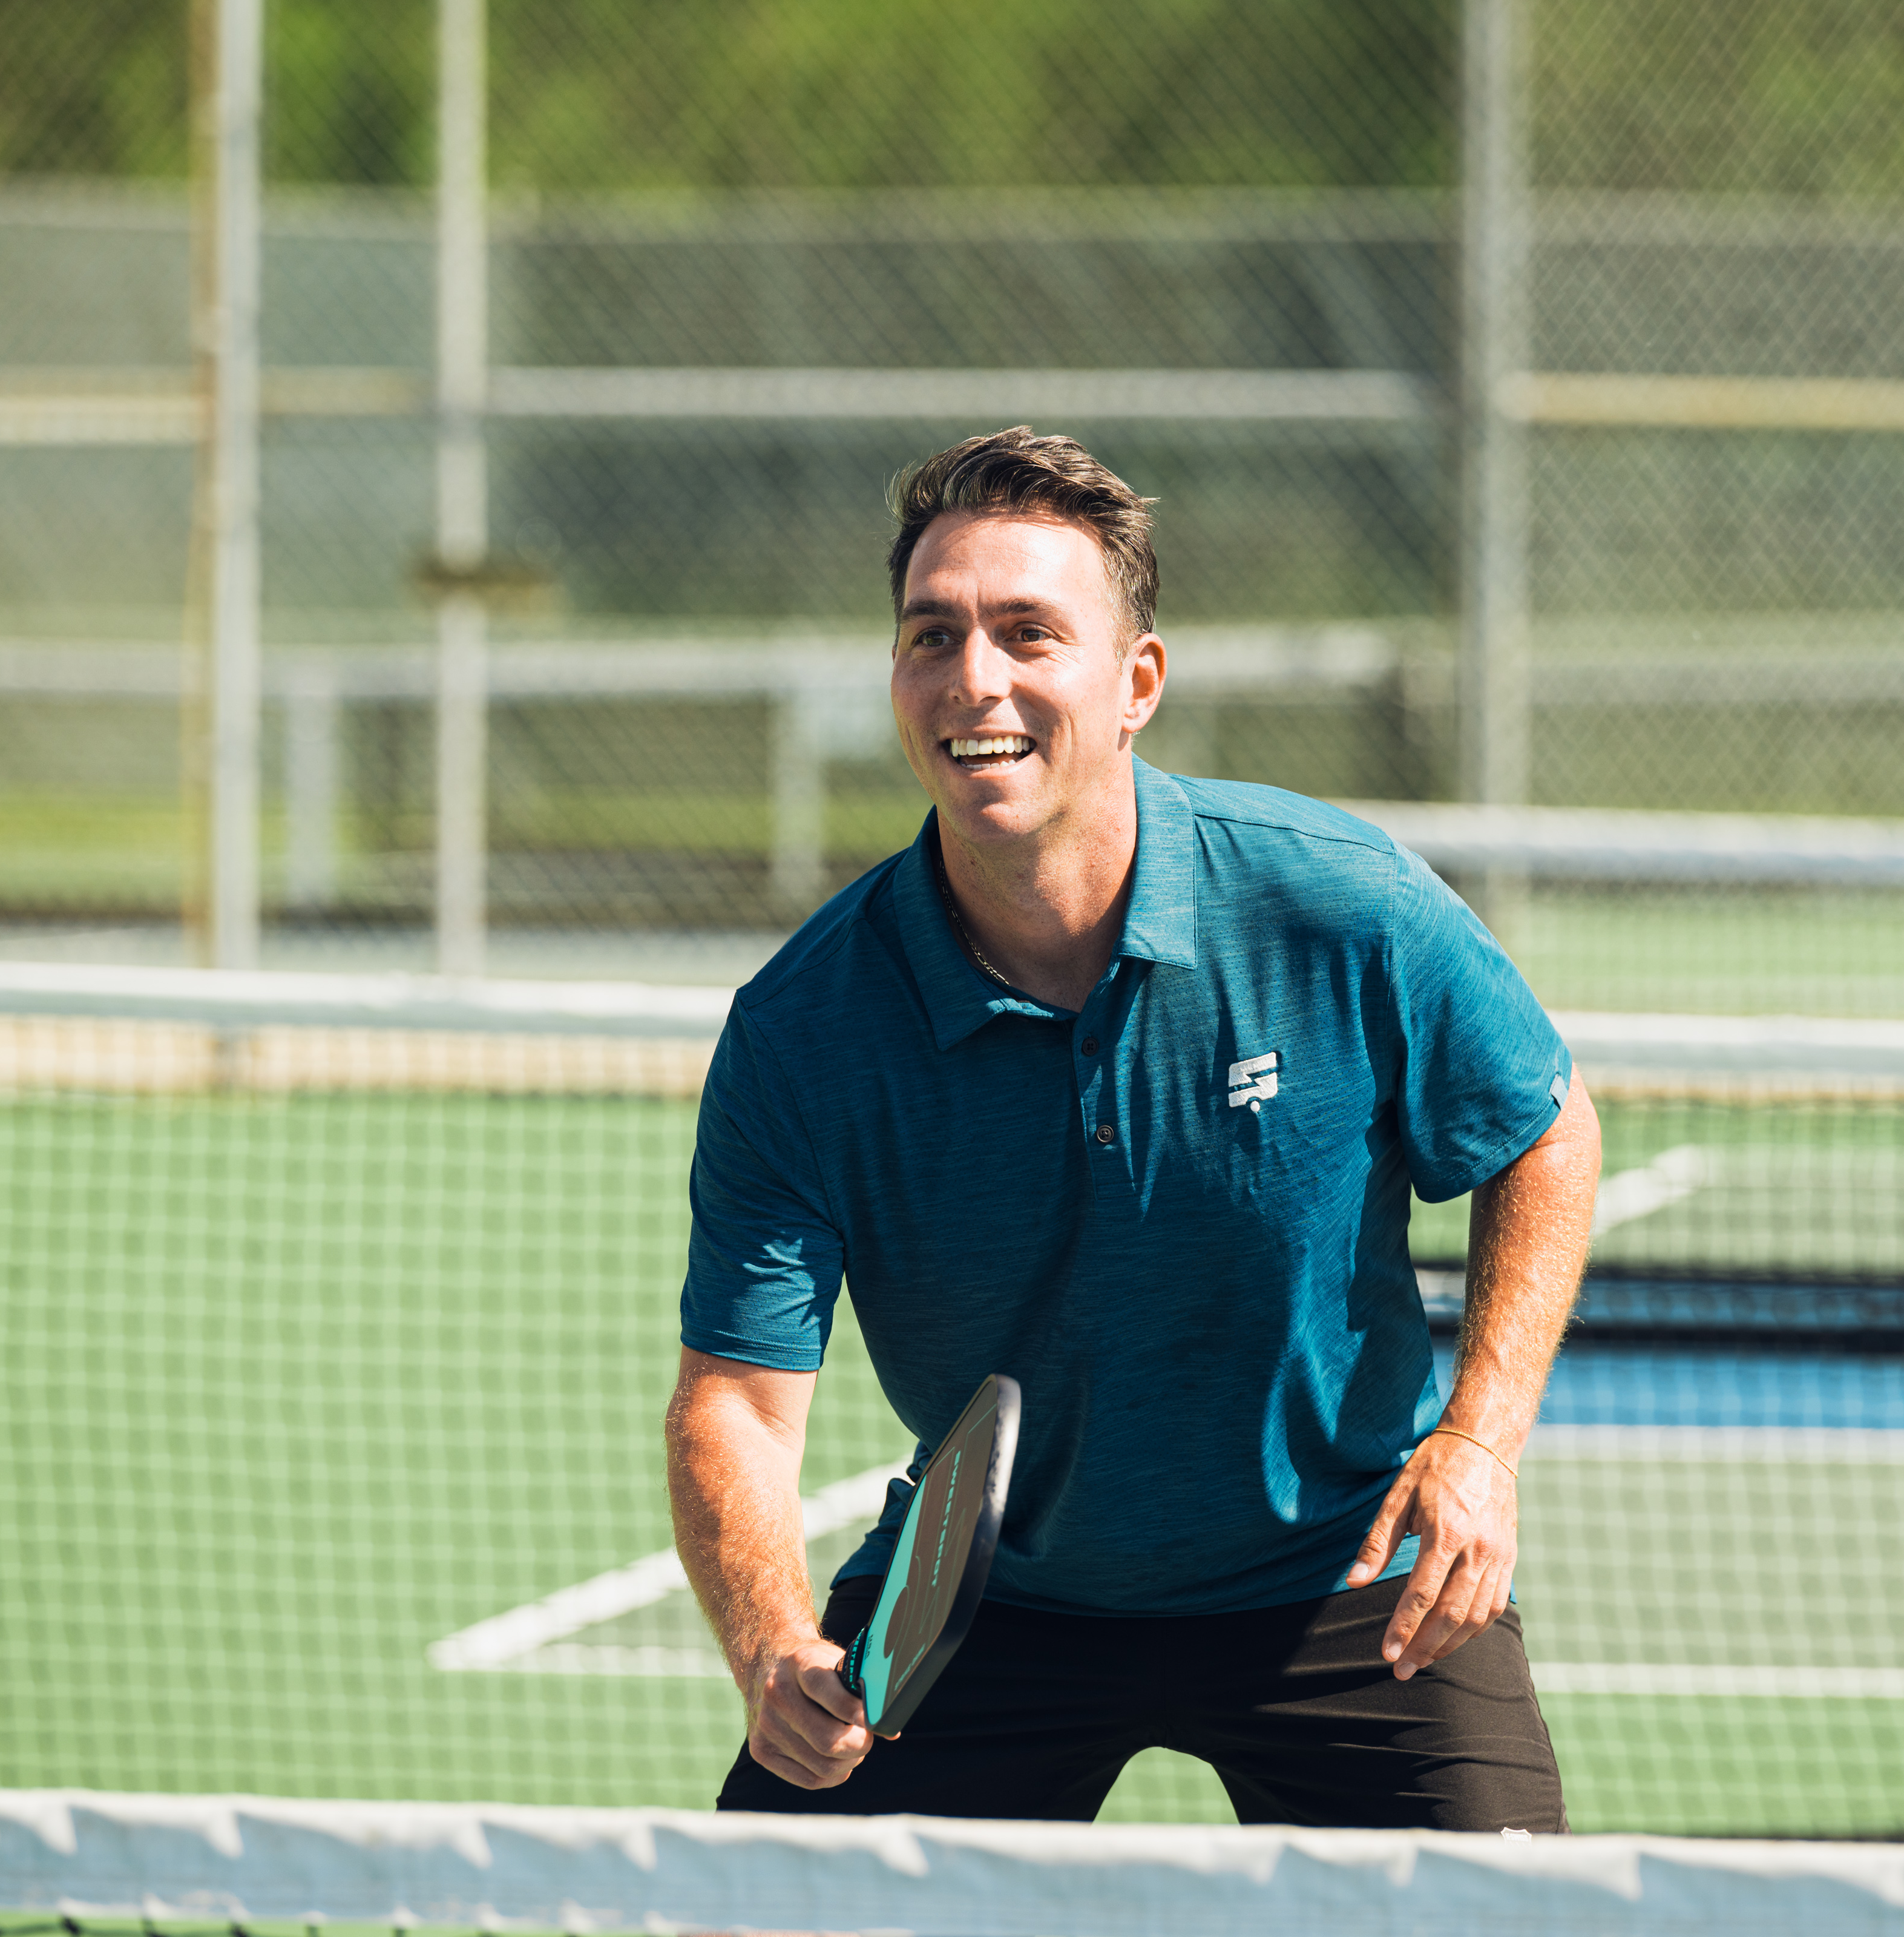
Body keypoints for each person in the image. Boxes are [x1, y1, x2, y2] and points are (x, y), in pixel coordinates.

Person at [665, 426, 1600, 1830]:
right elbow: (735, 1401)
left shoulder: (1337, 904)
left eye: (1030, 633)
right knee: (750, 1921)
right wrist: (772, 1648)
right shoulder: (805, 1028)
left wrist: (1477, 1445)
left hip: (1346, 1588)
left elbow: (1544, 1127)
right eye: (935, 636)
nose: (976, 677)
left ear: (1135, 684)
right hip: (992, 1600)